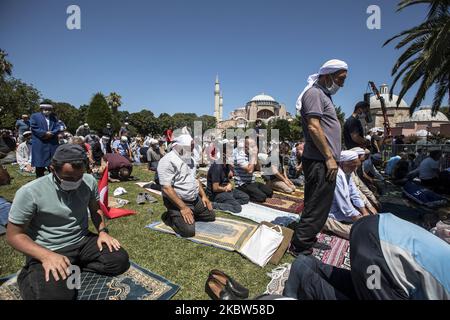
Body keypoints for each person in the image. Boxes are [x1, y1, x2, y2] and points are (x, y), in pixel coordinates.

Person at [6, 144, 130, 300]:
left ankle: (70, 266)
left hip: (82, 240)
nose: (76, 182)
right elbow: (13, 235)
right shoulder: (30, 192)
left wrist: (102, 232)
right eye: (69, 178)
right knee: (57, 296)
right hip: (49, 248)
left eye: (80, 176)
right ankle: (28, 276)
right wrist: (46, 256)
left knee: (119, 261)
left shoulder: (88, 181)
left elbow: (95, 208)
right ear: (52, 169)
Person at [283, 213, 450, 300]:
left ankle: (310, 267)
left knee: (370, 288)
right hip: (376, 250)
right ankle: (306, 279)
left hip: (374, 231)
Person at [291, 59, 348, 256]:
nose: (342, 84)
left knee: (316, 202)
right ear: (327, 75)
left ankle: (306, 236)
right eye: (340, 79)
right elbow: (314, 127)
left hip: (321, 159)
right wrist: (329, 157)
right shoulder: (314, 93)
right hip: (320, 160)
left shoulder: (322, 95)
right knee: (318, 204)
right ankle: (300, 245)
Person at [157, 134, 215, 237]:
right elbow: (166, 188)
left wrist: (204, 196)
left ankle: (190, 213)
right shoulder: (167, 161)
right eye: (189, 148)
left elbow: (195, 180)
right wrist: (183, 207)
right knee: (188, 231)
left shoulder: (190, 159)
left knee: (211, 216)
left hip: (194, 199)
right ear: (177, 146)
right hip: (178, 202)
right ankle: (171, 216)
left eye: (192, 148)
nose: (192, 150)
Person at [323, 151, 371, 239]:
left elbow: (354, 193)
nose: (355, 169)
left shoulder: (347, 172)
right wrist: (361, 221)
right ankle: (325, 224)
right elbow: (344, 205)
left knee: (367, 222)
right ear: (343, 163)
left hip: (342, 212)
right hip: (330, 213)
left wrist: (365, 212)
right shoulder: (337, 175)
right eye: (353, 166)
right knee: (360, 234)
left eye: (356, 166)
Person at [206, 144, 249, 213]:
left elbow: (229, 178)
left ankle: (229, 202)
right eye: (230, 154)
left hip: (226, 190)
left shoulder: (226, 165)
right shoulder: (217, 167)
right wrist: (226, 188)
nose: (232, 156)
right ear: (223, 154)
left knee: (245, 198)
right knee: (237, 208)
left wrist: (229, 184)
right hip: (216, 194)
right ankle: (214, 204)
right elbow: (215, 188)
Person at [233, 137, 273, 202]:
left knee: (270, 192)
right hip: (242, 185)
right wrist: (253, 156)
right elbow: (250, 170)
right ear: (245, 146)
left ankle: (252, 193)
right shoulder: (239, 155)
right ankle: (243, 195)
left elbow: (258, 168)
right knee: (261, 197)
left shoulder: (250, 154)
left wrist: (256, 155)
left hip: (252, 182)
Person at [30, 104, 60, 178]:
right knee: (40, 163)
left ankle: (54, 179)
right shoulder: (35, 116)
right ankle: (39, 180)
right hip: (40, 142)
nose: (47, 111)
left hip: (52, 142)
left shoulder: (54, 117)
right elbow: (34, 127)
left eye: (49, 109)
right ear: (41, 109)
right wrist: (44, 133)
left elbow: (57, 127)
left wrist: (51, 133)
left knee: (53, 162)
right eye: (45, 109)